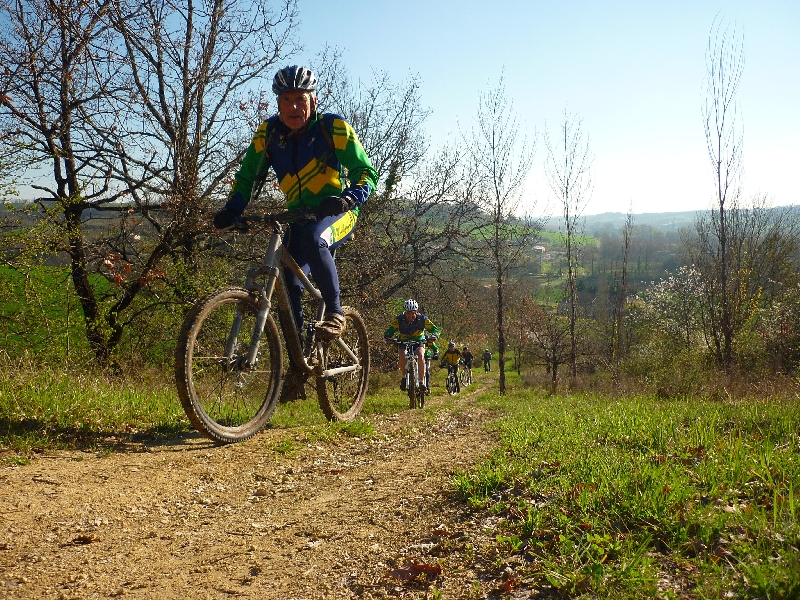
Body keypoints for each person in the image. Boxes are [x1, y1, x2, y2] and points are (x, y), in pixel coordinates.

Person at [214, 65, 378, 343]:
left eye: (300, 99)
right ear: (277, 102)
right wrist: (233, 209)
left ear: (313, 100)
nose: (293, 106)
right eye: (286, 99)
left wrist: (349, 198)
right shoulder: (269, 134)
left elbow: (366, 172)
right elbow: (246, 176)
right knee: (286, 282)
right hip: (297, 217)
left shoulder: (332, 127)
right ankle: (298, 356)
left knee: (315, 240)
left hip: (337, 213)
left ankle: (335, 314)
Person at [383, 299, 440, 392]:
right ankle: (404, 377)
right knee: (402, 354)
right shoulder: (399, 319)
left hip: (418, 341)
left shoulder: (422, 319)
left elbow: (435, 329)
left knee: (421, 355)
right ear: (405, 312)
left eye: (412, 313)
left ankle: (421, 382)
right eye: (407, 313)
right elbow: (390, 330)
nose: (410, 316)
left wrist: (434, 335)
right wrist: (388, 337)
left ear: (416, 312)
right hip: (404, 341)